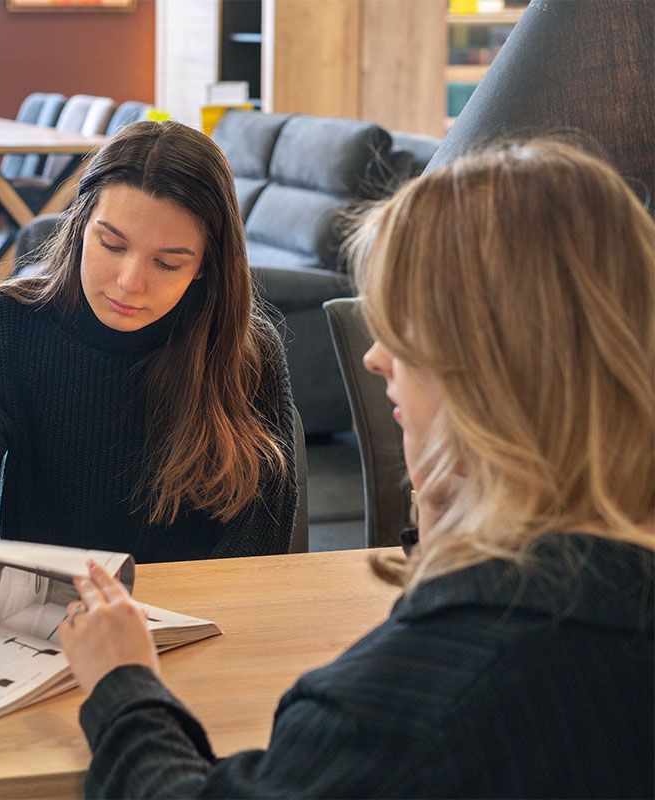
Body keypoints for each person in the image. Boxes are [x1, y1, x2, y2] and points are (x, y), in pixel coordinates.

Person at [57, 139, 655, 798]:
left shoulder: (423, 699)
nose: (374, 357)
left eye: (403, 321)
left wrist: (124, 689)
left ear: (488, 368)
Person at [0, 120, 298, 597]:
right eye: (112, 243)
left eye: (167, 263)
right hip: (44, 624)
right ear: (81, 224)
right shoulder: (12, 324)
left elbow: (258, 545)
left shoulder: (245, 352)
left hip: (199, 621)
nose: (129, 281)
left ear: (206, 263)